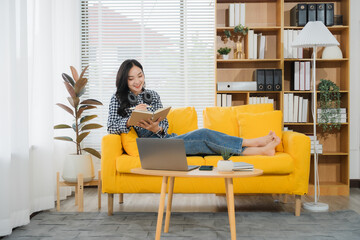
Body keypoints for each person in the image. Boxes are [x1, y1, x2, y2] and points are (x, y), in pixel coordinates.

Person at [107, 59, 281, 156]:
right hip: (150, 148)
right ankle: (252, 142)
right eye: (131, 79)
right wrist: (130, 121)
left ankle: (258, 151)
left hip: (165, 140)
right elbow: (111, 127)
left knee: (206, 145)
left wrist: (157, 127)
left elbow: (165, 126)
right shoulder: (117, 99)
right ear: (125, 80)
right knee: (203, 134)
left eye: (140, 75)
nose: (137, 81)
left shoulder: (152, 95)